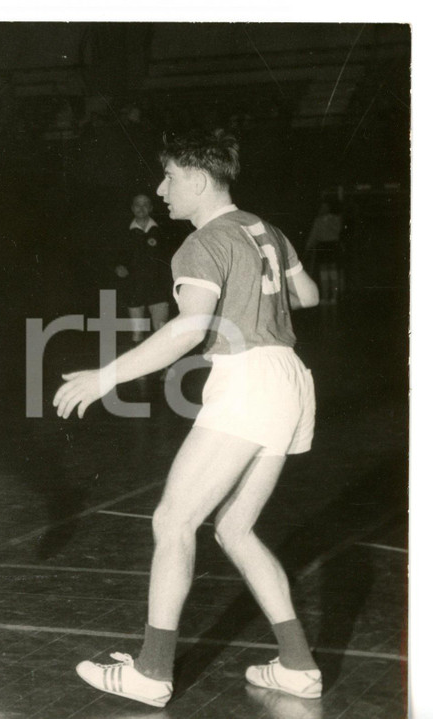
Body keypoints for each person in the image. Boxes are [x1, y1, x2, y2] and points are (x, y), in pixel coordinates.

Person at [54, 129, 321, 707]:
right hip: (291, 380)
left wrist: (106, 377)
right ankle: (298, 665)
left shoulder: (202, 242)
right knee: (234, 528)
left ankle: (152, 673)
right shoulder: (266, 230)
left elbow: (188, 329)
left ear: (198, 180)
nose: (161, 189)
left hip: (249, 380)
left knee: (173, 521)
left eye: (169, 177)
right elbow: (308, 296)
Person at [113, 193, 173, 345]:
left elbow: (171, 258)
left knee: (161, 332)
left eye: (145, 204)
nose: (141, 208)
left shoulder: (163, 230)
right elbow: (113, 256)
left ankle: (163, 361)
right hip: (134, 288)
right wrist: (117, 267)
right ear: (132, 208)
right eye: (137, 205)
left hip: (158, 289)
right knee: (137, 333)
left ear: (151, 208)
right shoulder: (122, 231)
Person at [304, 200, 344, 305]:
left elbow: (338, 231)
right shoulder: (320, 220)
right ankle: (326, 297)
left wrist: (308, 247)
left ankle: (333, 297)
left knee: (331, 271)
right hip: (324, 246)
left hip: (332, 245)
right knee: (324, 272)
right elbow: (314, 235)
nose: (323, 209)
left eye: (325, 207)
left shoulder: (334, 219)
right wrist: (309, 246)